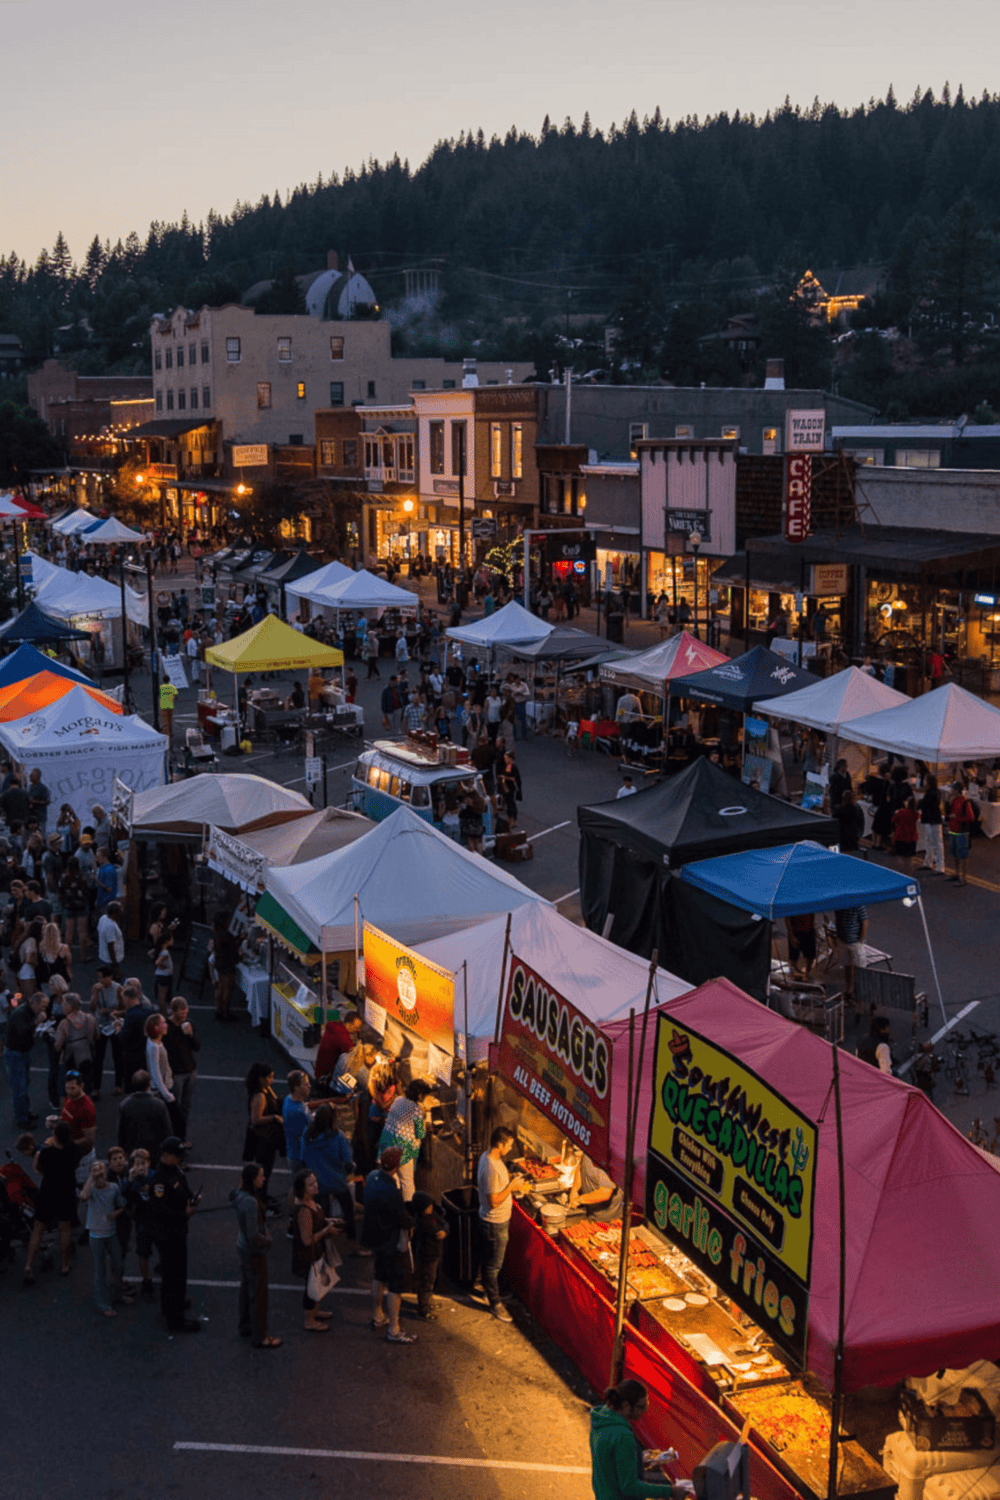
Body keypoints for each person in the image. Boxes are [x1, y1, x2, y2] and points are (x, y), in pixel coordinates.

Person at [590, 1379, 686, 1500]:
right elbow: (629, 1487)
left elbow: (609, 1462)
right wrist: (669, 1491)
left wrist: (637, 1461)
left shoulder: (601, 1422)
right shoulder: (623, 1436)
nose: (645, 1410)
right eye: (640, 1407)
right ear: (626, 1405)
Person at [360, 1146, 417, 1344]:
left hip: (374, 1239)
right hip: (391, 1242)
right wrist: (411, 1223)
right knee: (395, 1286)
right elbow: (402, 1217)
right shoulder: (391, 1190)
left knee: (378, 1277)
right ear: (396, 1165)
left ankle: (377, 1316)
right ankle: (394, 1328)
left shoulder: (373, 1177)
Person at [149, 1136, 202, 1332]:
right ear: (166, 1155)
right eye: (177, 1155)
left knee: (174, 1272)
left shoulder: (173, 1171)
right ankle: (176, 1319)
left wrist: (191, 1198)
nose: (181, 1159)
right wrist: (184, 1213)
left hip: (177, 1229)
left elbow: (183, 1187)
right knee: (174, 1274)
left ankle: (171, 1305)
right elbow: (159, 1211)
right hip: (169, 1233)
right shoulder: (160, 1180)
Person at [476, 1126, 527, 1323]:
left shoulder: (488, 1158)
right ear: (500, 1144)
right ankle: (495, 1302)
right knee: (493, 1265)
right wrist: (512, 1187)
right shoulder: (491, 1167)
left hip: (493, 1221)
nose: (510, 1148)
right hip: (494, 1223)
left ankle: (490, 1290)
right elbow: (494, 1200)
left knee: (490, 1262)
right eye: (510, 1145)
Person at [231, 1162, 280, 1348]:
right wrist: (267, 1240)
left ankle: (245, 1325)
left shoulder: (241, 1196)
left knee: (246, 1288)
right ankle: (260, 1335)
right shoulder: (250, 1202)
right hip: (253, 1252)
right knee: (258, 1294)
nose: (264, 1178)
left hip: (243, 1247)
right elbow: (254, 1234)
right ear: (253, 1180)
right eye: (260, 1176)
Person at [22, 1119, 77, 1284]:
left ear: (55, 1136)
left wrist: (44, 1150)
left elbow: (37, 1169)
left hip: (47, 1193)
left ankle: (28, 1265)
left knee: (37, 1230)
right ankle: (65, 1265)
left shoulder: (45, 1153)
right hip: (65, 1193)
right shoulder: (73, 1150)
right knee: (65, 1229)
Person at [81, 1158, 132, 1317]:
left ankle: (118, 1295)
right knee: (100, 1270)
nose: (100, 1178)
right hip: (96, 1235)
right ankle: (104, 1303)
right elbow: (84, 1196)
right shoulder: (92, 1190)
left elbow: (122, 1204)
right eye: (98, 1175)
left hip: (111, 1232)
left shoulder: (113, 1188)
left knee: (118, 1266)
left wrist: (115, 1214)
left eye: (102, 1174)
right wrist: (91, 1177)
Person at [290, 1168, 337, 1333]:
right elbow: (307, 1239)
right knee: (311, 1288)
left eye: (315, 1182)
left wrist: (328, 1222)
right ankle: (309, 1320)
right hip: (309, 1254)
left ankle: (315, 1312)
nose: (315, 1186)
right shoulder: (304, 1210)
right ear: (303, 1189)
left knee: (317, 1285)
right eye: (311, 1185)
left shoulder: (311, 1202)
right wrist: (326, 1231)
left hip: (317, 1251)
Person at [302, 1103, 358, 1241]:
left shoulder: (307, 1134)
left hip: (318, 1182)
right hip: (338, 1180)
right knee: (348, 1210)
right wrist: (350, 1168)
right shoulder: (337, 1136)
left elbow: (303, 1156)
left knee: (323, 1213)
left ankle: (325, 1240)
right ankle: (352, 1238)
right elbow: (347, 1158)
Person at [377, 1078, 432, 1202]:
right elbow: (421, 1134)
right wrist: (424, 1122)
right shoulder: (416, 1110)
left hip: (386, 1141)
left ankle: (392, 1204)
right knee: (407, 1183)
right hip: (402, 1149)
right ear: (420, 1095)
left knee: (392, 1179)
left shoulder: (398, 1099)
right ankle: (409, 1209)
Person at [243, 1061, 284, 1206]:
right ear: (261, 1078)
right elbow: (255, 1119)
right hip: (262, 1140)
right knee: (264, 1171)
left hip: (268, 1138)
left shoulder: (267, 1090)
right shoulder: (259, 1096)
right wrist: (273, 1117)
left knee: (267, 1170)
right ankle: (261, 1201)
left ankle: (263, 1196)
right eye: (269, 1077)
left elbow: (277, 1102)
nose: (272, 1080)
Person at [4, 993, 44, 1129]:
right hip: (16, 1054)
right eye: (42, 1006)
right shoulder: (20, 1014)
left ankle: (24, 1113)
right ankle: (22, 1118)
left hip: (22, 1052)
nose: (43, 1010)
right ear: (35, 1003)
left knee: (24, 1084)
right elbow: (23, 1031)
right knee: (20, 1087)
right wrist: (36, 1023)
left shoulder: (26, 1012)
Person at [117, 1070, 171, 1163]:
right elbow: (167, 1130)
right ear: (148, 1084)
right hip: (154, 1152)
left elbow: (121, 1132)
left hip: (134, 1152)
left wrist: (123, 1151)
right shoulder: (159, 1104)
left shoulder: (125, 1105)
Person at [164, 997, 199, 1140]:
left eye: (186, 1011)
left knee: (186, 1106)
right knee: (174, 1106)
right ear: (173, 1011)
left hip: (190, 1071)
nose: (184, 1015)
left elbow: (197, 1047)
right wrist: (168, 1073)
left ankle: (181, 1136)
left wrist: (191, 1035)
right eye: (181, 1012)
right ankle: (173, 1134)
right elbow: (164, 1053)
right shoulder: (166, 1027)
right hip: (176, 1074)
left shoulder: (188, 1024)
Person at [410, 1191, 448, 1320]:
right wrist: (443, 1230)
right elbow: (438, 1228)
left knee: (431, 1281)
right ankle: (424, 1309)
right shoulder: (422, 1222)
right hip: (427, 1257)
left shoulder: (432, 1215)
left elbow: (444, 1224)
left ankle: (428, 1303)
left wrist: (444, 1230)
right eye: (428, 1206)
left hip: (434, 1255)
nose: (431, 1208)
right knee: (426, 1282)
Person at [569, 1152, 624, 1221]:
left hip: (607, 1217)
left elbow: (604, 1193)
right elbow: (581, 1166)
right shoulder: (590, 1150)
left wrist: (579, 1200)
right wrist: (575, 1189)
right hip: (590, 1209)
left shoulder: (607, 1164)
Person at [210, 912, 240, 1022]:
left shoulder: (216, 933)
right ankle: (225, 1011)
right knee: (226, 989)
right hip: (227, 963)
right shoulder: (227, 935)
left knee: (220, 986)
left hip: (219, 963)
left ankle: (218, 1009)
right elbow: (234, 950)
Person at [834, 905, 868, 1002]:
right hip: (842, 941)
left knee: (859, 969)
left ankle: (859, 993)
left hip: (855, 943)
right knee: (847, 967)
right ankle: (849, 991)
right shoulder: (839, 903)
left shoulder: (858, 905)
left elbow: (864, 922)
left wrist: (860, 940)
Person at [947, 784, 976, 885]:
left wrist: (956, 818)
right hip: (954, 830)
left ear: (956, 790)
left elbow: (971, 818)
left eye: (952, 789)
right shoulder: (954, 801)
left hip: (962, 832)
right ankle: (957, 872)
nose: (950, 790)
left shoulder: (965, 802)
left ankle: (964, 877)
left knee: (963, 855)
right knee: (955, 853)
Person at [918, 774, 945, 874]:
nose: (923, 781)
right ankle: (928, 862)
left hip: (933, 821)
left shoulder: (931, 793)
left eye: (925, 780)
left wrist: (919, 802)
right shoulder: (934, 792)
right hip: (931, 820)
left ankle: (940, 866)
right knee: (929, 842)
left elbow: (923, 803)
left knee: (936, 843)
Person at [97, 898, 125, 980]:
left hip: (104, 956)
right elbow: (110, 947)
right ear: (114, 913)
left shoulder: (103, 918)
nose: (122, 912)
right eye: (120, 910)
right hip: (110, 961)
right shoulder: (110, 926)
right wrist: (115, 966)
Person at [785, 912, 817, 977]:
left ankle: (806, 973)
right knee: (793, 958)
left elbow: (812, 914)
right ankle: (795, 974)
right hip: (795, 932)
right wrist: (791, 936)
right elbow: (787, 919)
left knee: (811, 957)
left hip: (809, 931)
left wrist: (813, 928)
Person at [27, 768, 51, 832]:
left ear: (37, 776)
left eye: (31, 776)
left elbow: (48, 801)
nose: (30, 778)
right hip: (31, 817)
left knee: (41, 834)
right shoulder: (30, 787)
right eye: (29, 776)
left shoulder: (43, 788)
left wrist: (36, 802)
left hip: (40, 817)